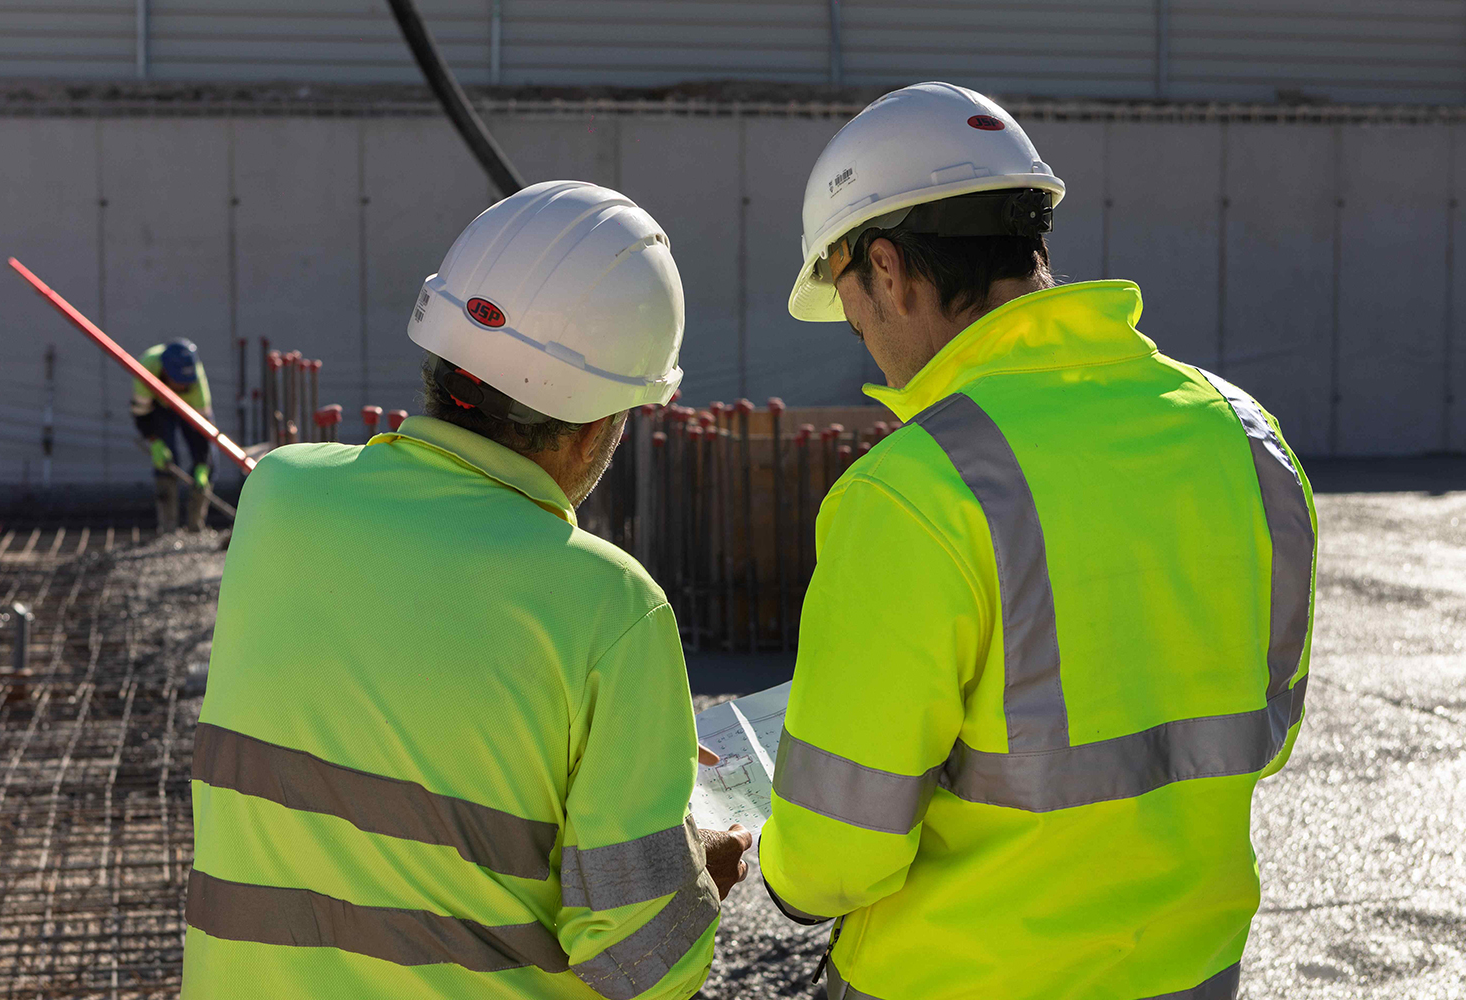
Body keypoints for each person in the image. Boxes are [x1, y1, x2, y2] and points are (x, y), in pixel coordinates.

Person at [758, 82, 1316, 999]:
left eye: (851, 300)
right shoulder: (1246, 437)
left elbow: (831, 863)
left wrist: (776, 857)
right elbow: (1265, 727)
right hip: (1191, 976)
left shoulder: (915, 492)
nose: (861, 332)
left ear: (888, 269)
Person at [182, 180, 751, 1000]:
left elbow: (395, 696)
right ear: (602, 423)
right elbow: (643, 966)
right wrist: (702, 877)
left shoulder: (278, 495)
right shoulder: (613, 609)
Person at [132, 339, 214, 532]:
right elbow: (141, 414)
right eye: (178, 382)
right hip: (160, 406)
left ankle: (195, 526)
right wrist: (155, 441)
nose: (182, 387)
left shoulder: (196, 385)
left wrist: (203, 464)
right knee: (166, 462)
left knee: (208, 462)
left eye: (186, 383)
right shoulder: (146, 369)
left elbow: (205, 430)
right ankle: (168, 527)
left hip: (190, 408)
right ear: (166, 374)